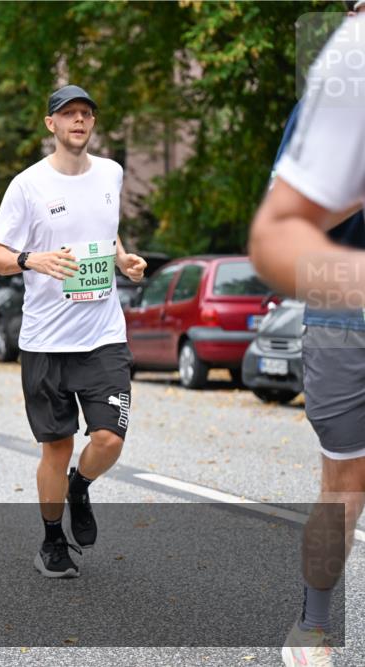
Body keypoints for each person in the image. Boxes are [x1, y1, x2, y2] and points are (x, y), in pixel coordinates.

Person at [0, 85, 147, 579]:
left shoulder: (111, 172)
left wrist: (123, 259)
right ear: (50, 124)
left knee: (109, 439)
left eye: (86, 113)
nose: (79, 120)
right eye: (68, 113)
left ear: (93, 123)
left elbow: (105, 228)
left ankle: (80, 487)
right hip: (46, 340)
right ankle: (52, 541)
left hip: (103, 335)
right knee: (57, 447)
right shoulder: (27, 185)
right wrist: (31, 259)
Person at [249, 7, 364, 667]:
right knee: (345, 481)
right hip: (345, 314)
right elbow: (283, 222)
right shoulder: (340, 92)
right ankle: (313, 625)